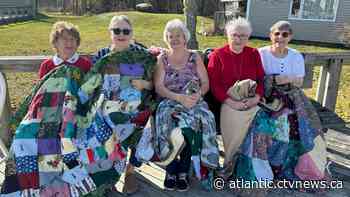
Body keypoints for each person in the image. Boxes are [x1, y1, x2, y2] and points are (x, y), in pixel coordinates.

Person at [1, 21, 94, 196]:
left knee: (70, 142)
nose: (69, 43)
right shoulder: (48, 65)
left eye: (73, 39)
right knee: (24, 139)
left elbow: (88, 91)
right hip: (47, 115)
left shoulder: (84, 64)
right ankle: (30, 184)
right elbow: (40, 93)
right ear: (55, 43)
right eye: (64, 39)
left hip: (72, 115)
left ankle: (68, 183)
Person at [234, 21, 328, 193]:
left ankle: (288, 165)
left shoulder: (295, 56)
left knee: (302, 124)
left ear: (290, 37)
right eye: (277, 33)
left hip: (292, 97)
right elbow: (254, 78)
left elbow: (298, 81)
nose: (280, 37)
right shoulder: (260, 53)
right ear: (271, 35)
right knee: (264, 124)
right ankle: (263, 168)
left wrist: (285, 80)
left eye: (285, 34)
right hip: (265, 97)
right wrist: (276, 79)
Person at [154, 19, 219, 192]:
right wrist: (178, 97)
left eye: (178, 36)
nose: (174, 39)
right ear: (166, 39)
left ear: (185, 38)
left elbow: (205, 83)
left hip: (193, 100)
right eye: (170, 36)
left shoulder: (194, 57)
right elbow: (159, 87)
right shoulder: (162, 58)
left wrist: (197, 95)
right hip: (170, 100)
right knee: (167, 124)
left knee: (195, 124)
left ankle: (183, 171)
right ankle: (170, 170)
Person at [91, 15, 153, 195]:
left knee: (136, 123)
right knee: (107, 121)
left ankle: (130, 171)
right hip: (106, 106)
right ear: (110, 33)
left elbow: (154, 84)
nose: (121, 34)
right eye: (116, 30)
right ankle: (109, 173)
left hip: (136, 105)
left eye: (125, 31)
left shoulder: (142, 55)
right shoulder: (102, 55)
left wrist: (144, 84)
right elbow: (92, 84)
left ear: (131, 33)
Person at [207, 17, 265, 177]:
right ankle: (230, 164)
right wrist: (231, 102)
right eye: (235, 35)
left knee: (263, 123)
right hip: (228, 101)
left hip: (252, 100)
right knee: (235, 123)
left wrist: (257, 97)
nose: (238, 39)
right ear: (228, 35)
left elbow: (261, 79)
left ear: (248, 37)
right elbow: (214, 84)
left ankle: (253, 165)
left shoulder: (253, 53)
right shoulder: (217, 55)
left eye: (243, 36)